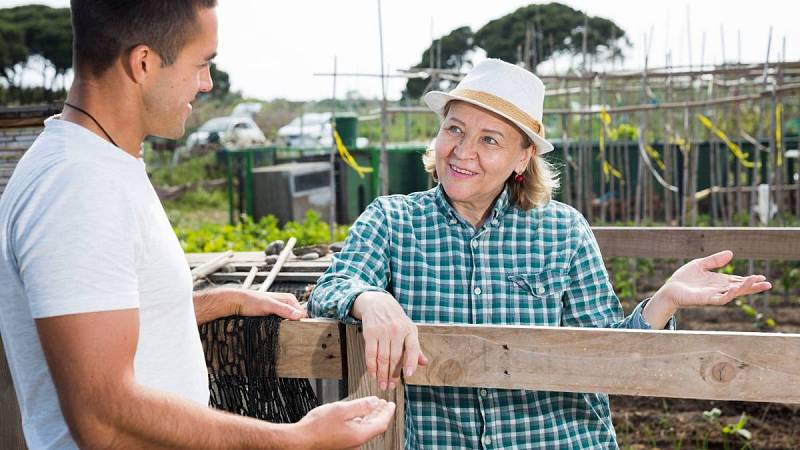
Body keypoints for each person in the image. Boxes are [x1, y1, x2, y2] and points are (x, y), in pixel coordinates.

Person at [308, 58, 771, 448]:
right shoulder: (392, 220)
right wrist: (370, 299)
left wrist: (665, 301)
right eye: (455, 129)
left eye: (490, 139)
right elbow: (330, 289)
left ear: (523, 157)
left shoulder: (562, 229)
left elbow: (610, 348)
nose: (462, 151)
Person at [0, 1, 394, 449]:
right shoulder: (78, 185)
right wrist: (295, 440)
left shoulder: (98, 165)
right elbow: (103, 419)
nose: (206, 83)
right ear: (143, 63)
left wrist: (224, 300)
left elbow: (111, 317)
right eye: (202, 63)